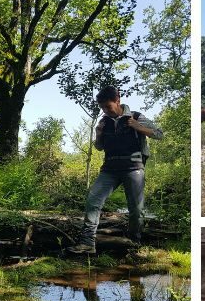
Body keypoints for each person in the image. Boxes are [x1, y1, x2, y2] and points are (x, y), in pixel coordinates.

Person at [67, 86, 163, 255]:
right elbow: (99, 147)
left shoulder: (136, 117)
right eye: (102, 107)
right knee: (93, 201)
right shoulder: (104, 122)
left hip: (133, 169)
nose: (105, 110)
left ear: (117, 101)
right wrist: (98, 134)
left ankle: (134, 242)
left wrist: (138, 127)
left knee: (136, 209)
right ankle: (88, 243)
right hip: (109, 170)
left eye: (108, 107)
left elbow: (159, 134)